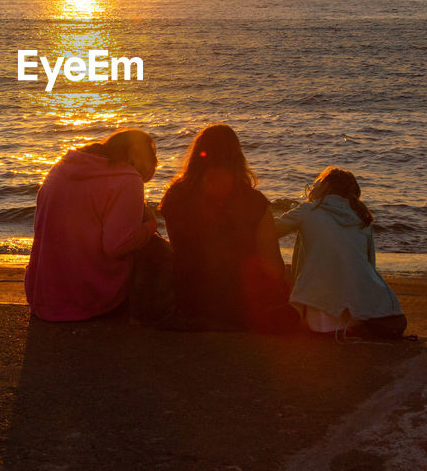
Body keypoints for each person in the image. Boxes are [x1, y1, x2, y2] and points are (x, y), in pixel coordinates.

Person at [24, 128, 170, 322]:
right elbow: (116, 246)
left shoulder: (64, 165)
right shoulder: (128, 178)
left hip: (44, 298)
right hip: (90, 300)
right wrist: (150, 224)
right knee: (154, 248)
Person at [159, 124, 294, 331]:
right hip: (241, 304)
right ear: (237, 157)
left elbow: (180, 249)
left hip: (191, 301)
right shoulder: (254, 201)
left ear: (196, 156)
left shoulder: (175, 196)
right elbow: (273, 267)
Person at [275, 167, 406, 338]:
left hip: (319, 311)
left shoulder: (308, 210)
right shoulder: (361, 217)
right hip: (361, 313)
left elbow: (270, 229)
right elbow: (369, 264)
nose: (312, 189)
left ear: (326, 186)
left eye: (315, 184)